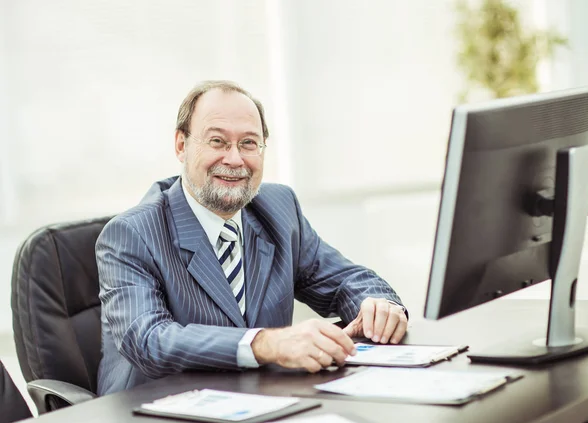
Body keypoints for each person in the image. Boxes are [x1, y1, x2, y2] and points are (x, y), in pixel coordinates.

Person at [96, 80, 408, 395]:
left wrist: (376, 306)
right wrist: (266, 343)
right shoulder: (132, 234)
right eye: (217, 141)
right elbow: (150, 341)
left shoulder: (278, 208)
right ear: (181, 145)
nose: (235, 159)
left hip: (261, 403)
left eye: (248, 143)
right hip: (156, 413)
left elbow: (343, 280)